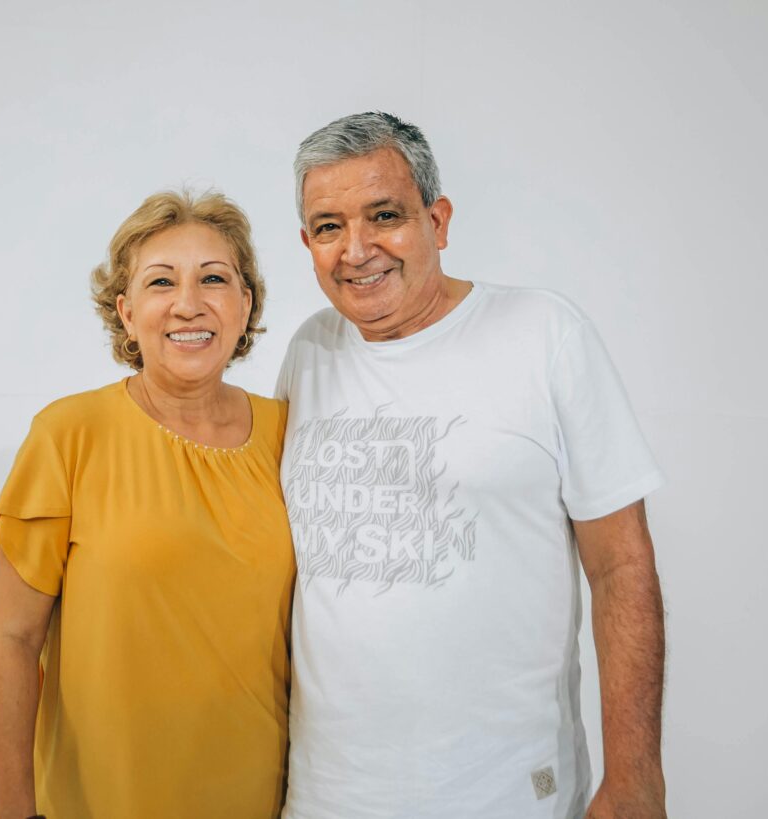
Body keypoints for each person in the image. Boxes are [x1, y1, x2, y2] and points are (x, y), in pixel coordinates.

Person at [275, 112, 667, 819]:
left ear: (438, 219)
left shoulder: (543, 333)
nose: (356, 249)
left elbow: (623, 568)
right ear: (308, 243)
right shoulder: (310, 349)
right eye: (329, 226)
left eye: (384, 215)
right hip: (326, 798)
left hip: (508, 792)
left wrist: (635, 776)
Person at [0, 190, 295, 819]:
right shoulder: (70, 434)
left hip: (261, 797)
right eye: (160, 282)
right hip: (102, 799)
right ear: (125, 312)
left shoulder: (292, 434)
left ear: (245, 303)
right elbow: (11, 641)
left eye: (214, 278)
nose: (189, 303)